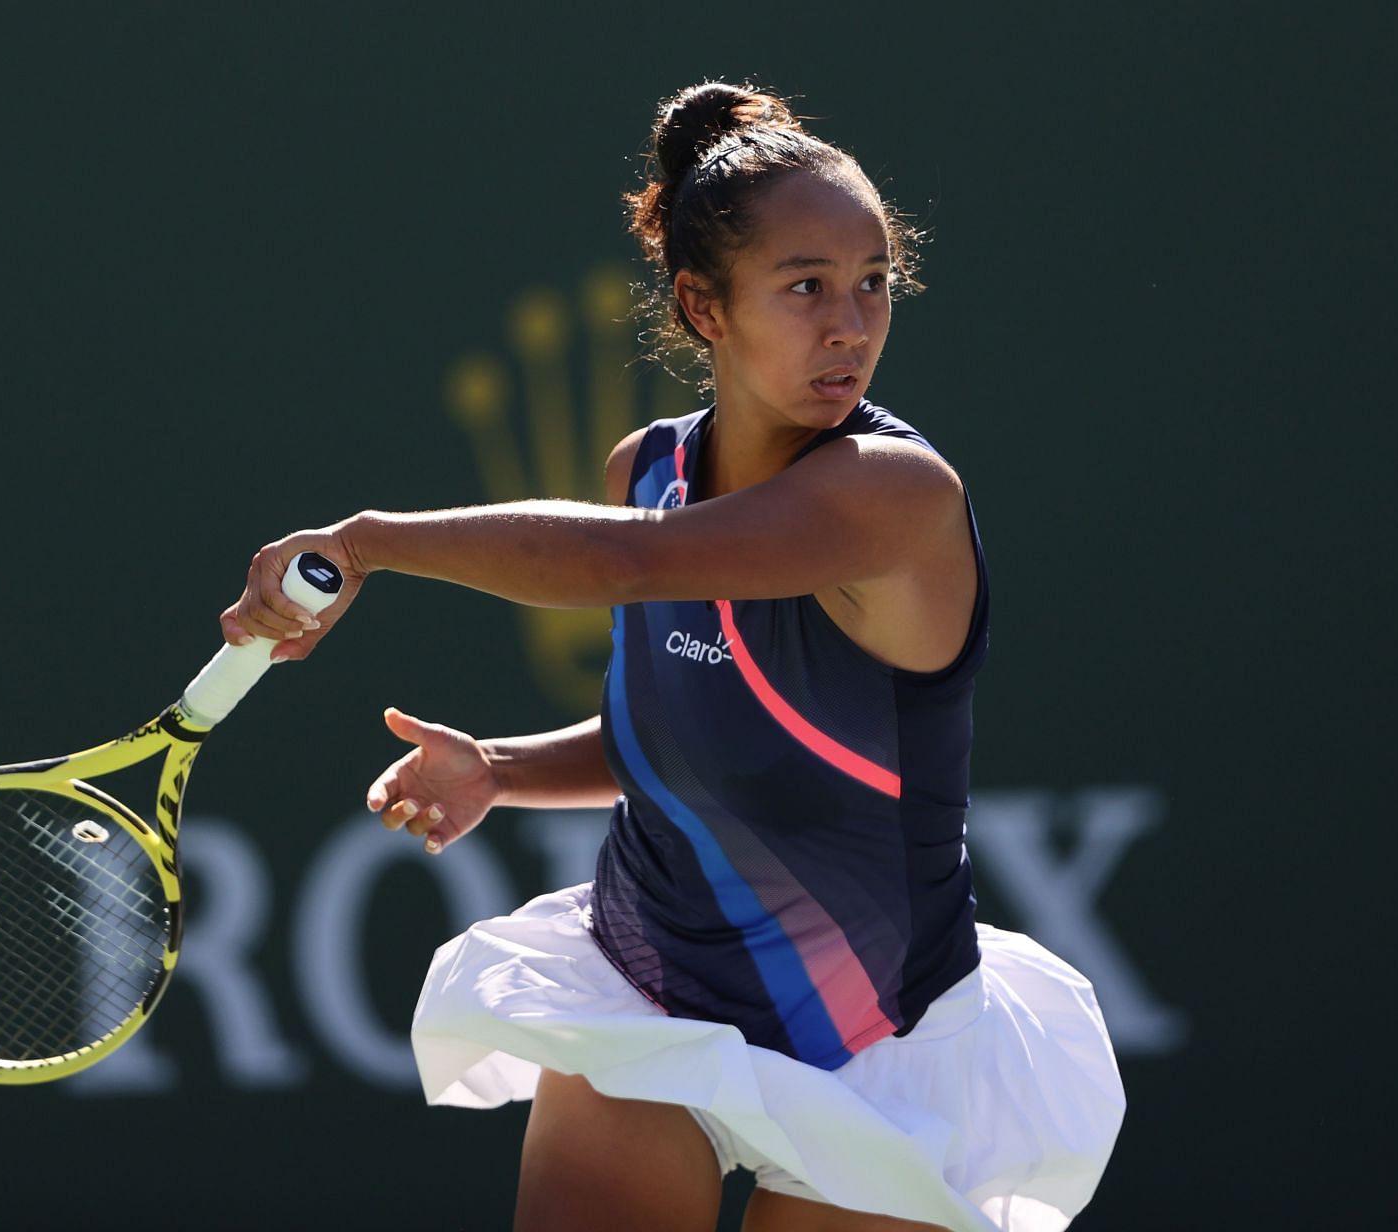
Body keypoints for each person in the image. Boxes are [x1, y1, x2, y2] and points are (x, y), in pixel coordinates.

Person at [223, 82, 1125, 1232]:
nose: (850, 323)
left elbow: (640, 565)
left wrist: (370, 543)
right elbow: (683, 727)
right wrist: (500, 765)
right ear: (704, 306)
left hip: (879, 1043)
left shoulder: (895, 495)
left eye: (872, 282)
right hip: (651, 989)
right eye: (805, 287)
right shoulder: (643, 469)